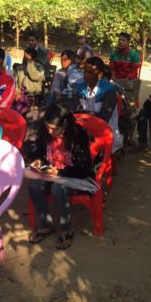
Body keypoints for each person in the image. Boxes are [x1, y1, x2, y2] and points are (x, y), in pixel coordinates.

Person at [25, 104, 96, 250]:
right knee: (34, 186)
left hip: (74, 177)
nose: (50, 131)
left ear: (64, 125)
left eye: (54, 128)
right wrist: (38, 160)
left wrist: (59, 173)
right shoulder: (44, 132)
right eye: (47, 127)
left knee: (58, 188)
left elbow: (84, 167)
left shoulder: (79, 136)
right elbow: (38, 151)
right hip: (51, 174)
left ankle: (65, 228)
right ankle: (46, 225)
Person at [77, 57, 124, 152]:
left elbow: (103, 119)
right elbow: (76, 108)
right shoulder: (81, 87)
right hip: (87, 129)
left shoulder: (109, 90)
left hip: (106, 132)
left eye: (90, 73)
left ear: (100, 74)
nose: (86, 75)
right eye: (85, 71)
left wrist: (84, 114)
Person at [13, 46, 46, 114]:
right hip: (19, 94)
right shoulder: (20, 68)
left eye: (27, 55)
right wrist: (16, 94)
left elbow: (34, 76)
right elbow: (15, 82)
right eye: (25, 55)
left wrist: (30, 63)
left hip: (31, 94)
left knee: (18, 110)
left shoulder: (39, 67)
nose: (25, 57)